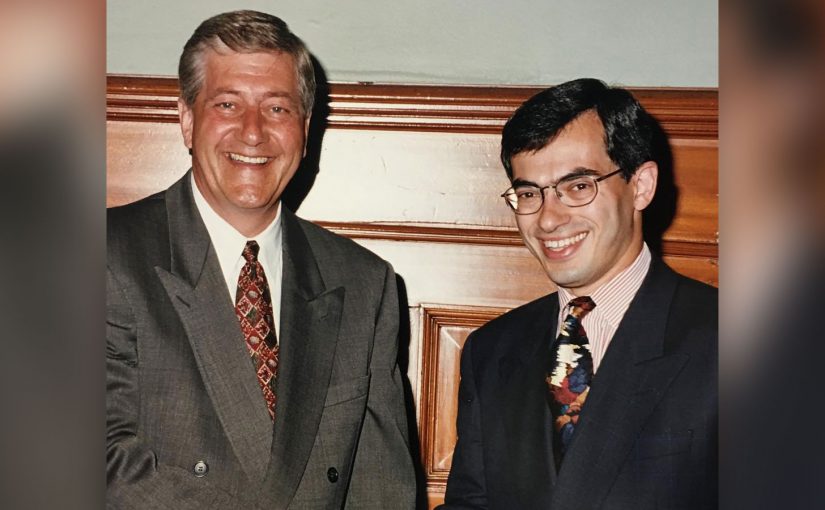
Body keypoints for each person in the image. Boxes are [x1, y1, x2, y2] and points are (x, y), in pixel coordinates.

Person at [106, 10, 416, 509]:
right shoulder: (104, 255)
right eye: (227, 104)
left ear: (305, 129)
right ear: (187, 119)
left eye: (277, 109)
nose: (252, 132)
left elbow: (380, 488)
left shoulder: (364, 283)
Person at [438, 78, 717, 509]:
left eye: (578, 186)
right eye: (529, 193)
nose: (548, 219)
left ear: (640, 185)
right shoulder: (491, 352)